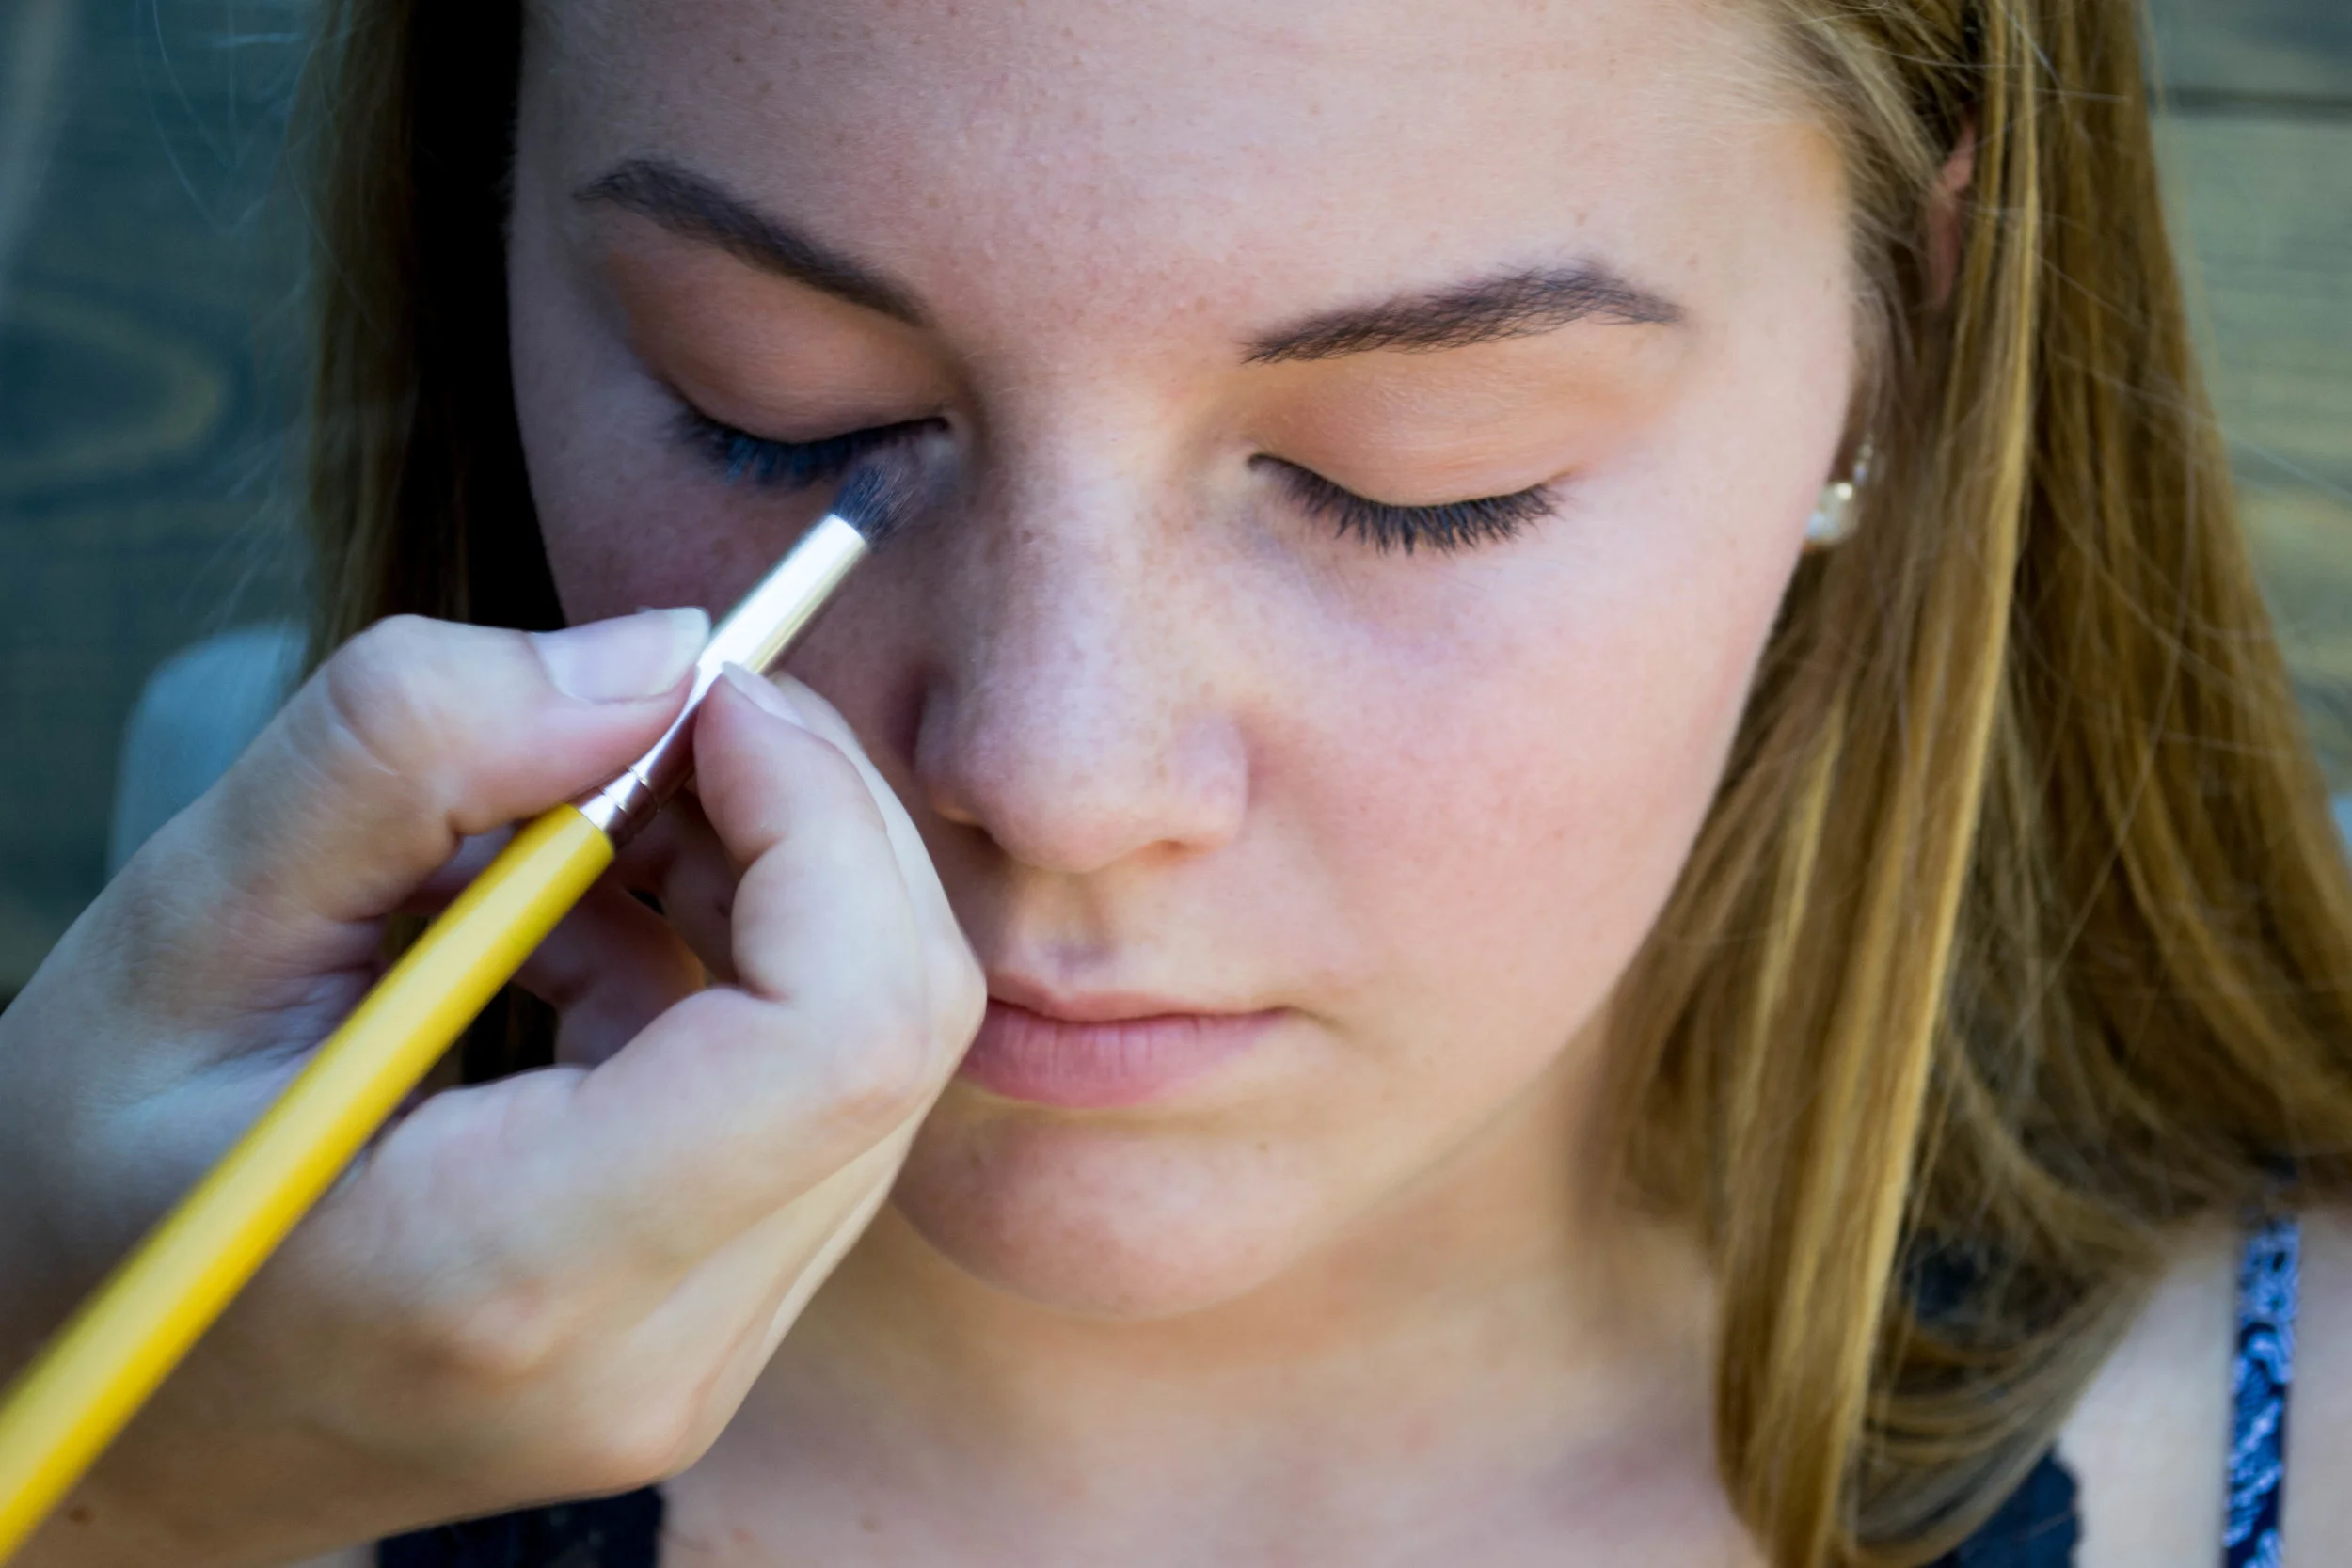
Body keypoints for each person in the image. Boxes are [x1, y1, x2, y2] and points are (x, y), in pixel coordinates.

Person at [4, 0, 2349, 1563]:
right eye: (773, 402)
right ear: (486, 220)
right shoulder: (175, 1104)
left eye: (1412, 477)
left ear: (1894, 350)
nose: (1054, 768)